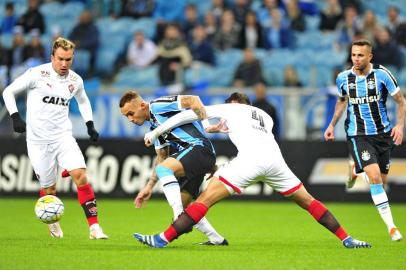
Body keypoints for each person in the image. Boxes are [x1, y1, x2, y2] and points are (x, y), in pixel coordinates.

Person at [133, 92, 371, 249]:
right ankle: (347, 239)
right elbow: (243, 129)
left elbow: (188, 112)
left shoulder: (231, 108)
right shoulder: (265, 115)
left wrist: (155, 133)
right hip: (276, 161)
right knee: (309, 201)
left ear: (233, 103)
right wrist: (217, 129)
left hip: (249, 161)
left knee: (203, 200)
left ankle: (162, 239)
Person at [2, 37, 108, 240]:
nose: (64, 64)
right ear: (52, 56)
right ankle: (53, 224)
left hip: (63, 137)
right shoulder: (36, 74)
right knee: (49, 189)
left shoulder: (75, 80)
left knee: (80, 175)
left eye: (68, 59)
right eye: (60, 59)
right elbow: (8, 92)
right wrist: (15, 116)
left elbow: (83, 101)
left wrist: (90, 124)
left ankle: (94, 227)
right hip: (38, 141)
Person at [119, 91, 227, 245]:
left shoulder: (158, 106)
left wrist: (207, 125)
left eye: (131, 113)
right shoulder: (153, 129)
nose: (130, 119)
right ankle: (217, 239)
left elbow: (193, 100)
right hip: (196, 155)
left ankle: (177, 216)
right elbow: (162, 157)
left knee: (164, 171)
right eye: (126, 116)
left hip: (199, 148)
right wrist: (149, 186)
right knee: (187, 208)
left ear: (142, 106)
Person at [324, 39, 405, 241]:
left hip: (383, 135)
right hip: (358, 134)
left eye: (360, 55)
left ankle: (355, 170)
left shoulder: (383, 75)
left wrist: (400, 125)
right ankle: (392, 228)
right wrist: (332, 125)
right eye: (353, 55)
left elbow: (401, 101)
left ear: (370, 56)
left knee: (380, 182)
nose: (356, 59)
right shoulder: (343, 78)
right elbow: (342, 101)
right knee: (375, 176)